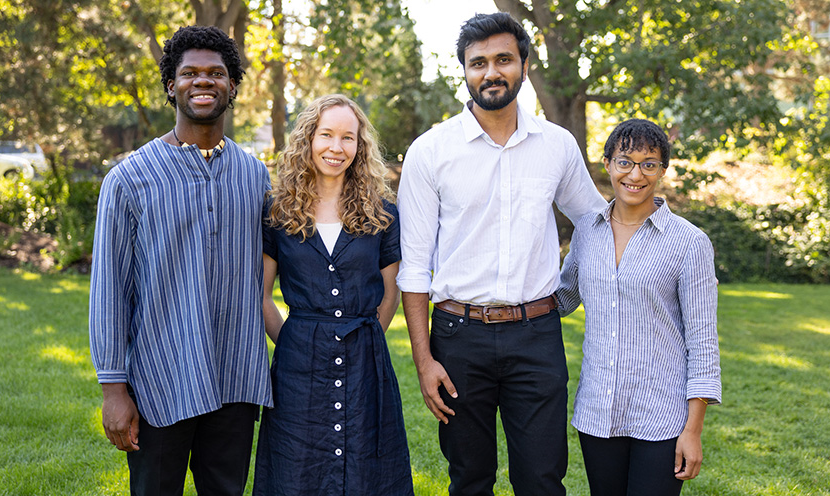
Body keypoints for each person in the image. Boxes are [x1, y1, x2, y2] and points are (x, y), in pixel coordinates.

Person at [396, 12, 608, 496]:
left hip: (537, 336)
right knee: (469, 479)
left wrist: (569, 290)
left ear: (525, 66)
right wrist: (424, 360)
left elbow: (596, 222)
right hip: (457, 337)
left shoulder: (556, 145)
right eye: (478, 63)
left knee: (541, 478)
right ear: (465, 71)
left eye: (503, 59)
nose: (491, 72)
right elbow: (413, 267)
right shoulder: (431, 151)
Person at [89, 26, 272, 495]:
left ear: (233, 86)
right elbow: (110, 289)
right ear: (171, 85)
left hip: (236, 377)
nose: (203, 81)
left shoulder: (254, 176)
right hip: (162, 382)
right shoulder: (129, 179)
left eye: (217, 73)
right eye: (189, 73)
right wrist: (114, 391)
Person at [253, 94, 414, 496]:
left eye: (348, 138)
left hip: (366, 363)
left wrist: (361, 337)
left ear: (360, 147)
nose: (336, 148)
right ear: (309, 139)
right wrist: (296, 338)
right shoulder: (277, 211)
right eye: (326, 135)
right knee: (296, 469)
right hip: (297, 367)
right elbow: (261, 295)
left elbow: (389, 294)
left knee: (367, 467)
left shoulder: (382, 213)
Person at [556, 119, 722, 496]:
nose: (636, 174)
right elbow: (562, 299)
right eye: (625, 161)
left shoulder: (689, 243)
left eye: (649, 163)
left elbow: (703, 343)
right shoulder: (586, 231)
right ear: (607, 164)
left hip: (662, 416)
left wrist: (693, 430)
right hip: (599, 412)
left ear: (663, 169)